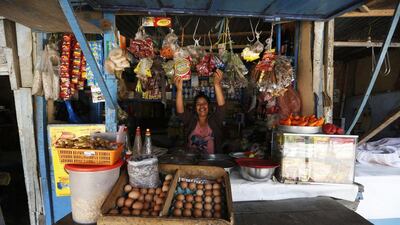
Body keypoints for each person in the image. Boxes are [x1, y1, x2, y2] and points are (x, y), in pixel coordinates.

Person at [174, 69, 225, 154]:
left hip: (212, 164)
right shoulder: (191, 120)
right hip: (192, 163)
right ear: (195, 107)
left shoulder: (215, 120)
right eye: (198, 104)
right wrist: (179, 90)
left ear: (209, 106)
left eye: (204, 103)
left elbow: (221, 107)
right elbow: (180, 111)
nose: (202, 106)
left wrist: (216, 84)